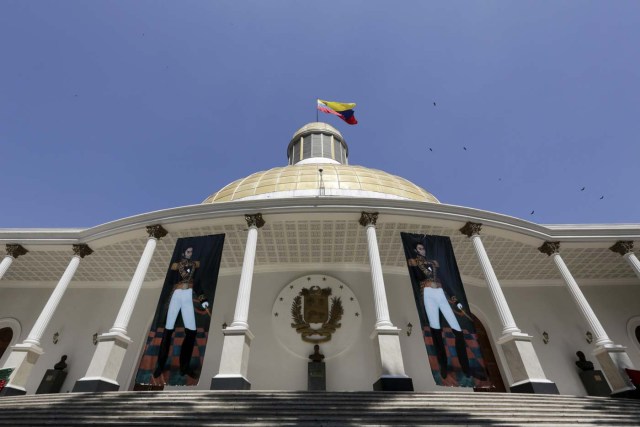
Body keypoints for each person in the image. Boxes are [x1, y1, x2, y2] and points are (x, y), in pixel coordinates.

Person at [408, 242, 471, 380]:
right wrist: (418, 263)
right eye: (419, 248)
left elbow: (445, 282)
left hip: (441, 293)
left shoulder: (434, 263)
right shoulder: (414, 263)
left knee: (458, 331)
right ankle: (443, 365)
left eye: (423, 248)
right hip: (428, 294)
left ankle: (466, 367)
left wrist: (456, 300)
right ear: (415, 250)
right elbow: (417, 276)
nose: (422, 250)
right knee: (436, 331)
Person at [153, 247, 209, 378]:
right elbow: (169, 282)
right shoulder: (175, 266)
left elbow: (198, 283)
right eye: (188, 251)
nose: (191, 253)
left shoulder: (195, 266)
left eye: (192, 251)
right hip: (176, 295)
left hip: (188, 295)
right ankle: (160, 366)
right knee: (168, 331)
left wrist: (203, 299)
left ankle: (184, 367)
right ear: (183, 253)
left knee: (191, 332)